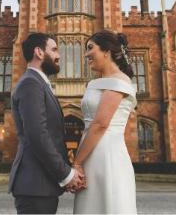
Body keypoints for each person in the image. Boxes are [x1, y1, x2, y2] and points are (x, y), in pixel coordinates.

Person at [9, 33, 86, 214]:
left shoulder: (39, 83)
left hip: (41, 185)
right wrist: (66, 175)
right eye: (54, 49)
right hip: (35, 186)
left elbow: (51, 137)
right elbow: (38, 136)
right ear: (39, 52)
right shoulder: (30, 83)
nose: (59, 55)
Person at [73, 30, 137, 214]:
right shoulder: (99, 82)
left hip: (107, 156)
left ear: (106, 51)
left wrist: (76, 163)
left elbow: (100, 124)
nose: (86, 54)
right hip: (92, 154)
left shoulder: (118, 81)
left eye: (90, 48)